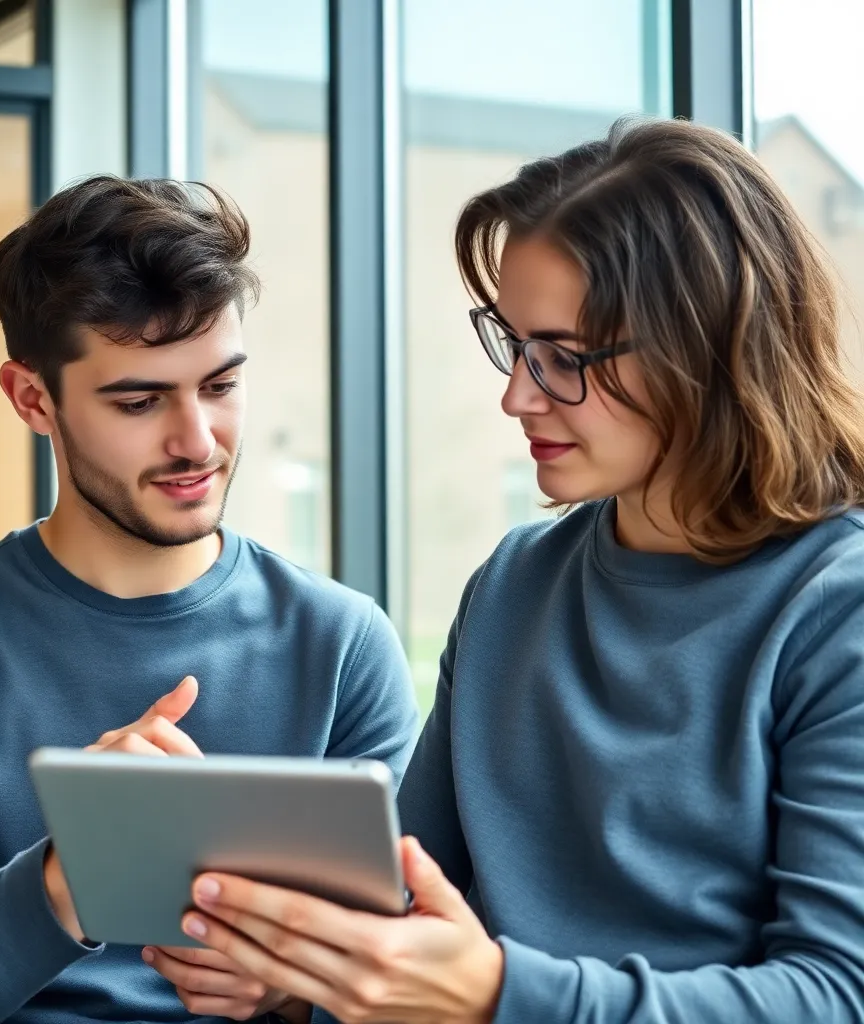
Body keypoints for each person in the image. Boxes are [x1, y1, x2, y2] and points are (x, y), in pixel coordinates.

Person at [168, 116, 864, 1023]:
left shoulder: (834, 607)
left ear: (708, 348)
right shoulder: (513, 585)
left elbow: (835, 995)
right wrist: (300, 977)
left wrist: (497, 995)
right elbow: (410, 904)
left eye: (565, 359)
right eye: (515, 345)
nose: (517, 395)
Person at [0, 176, 417, 1024]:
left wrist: (292, 989)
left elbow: (407, 971)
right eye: (140, 401)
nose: (196, 441)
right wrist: (77, 865)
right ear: (33, 398)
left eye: (220, 387)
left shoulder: (341, 641)